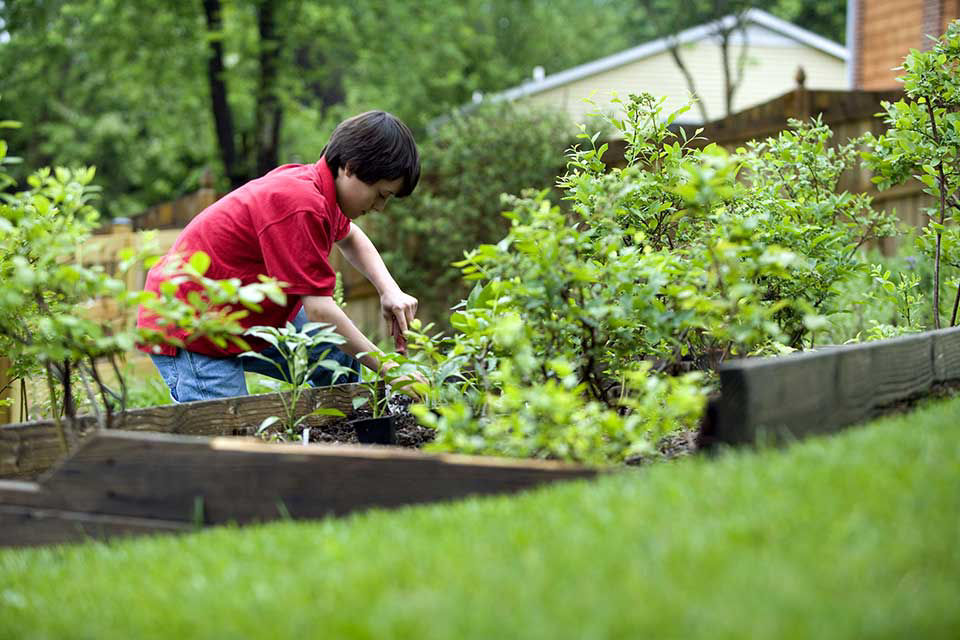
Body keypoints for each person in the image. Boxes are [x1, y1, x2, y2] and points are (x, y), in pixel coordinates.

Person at [136, 110, 422, 403]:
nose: (380, 207)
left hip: (235, 312)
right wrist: (389, 368)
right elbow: (320, 312)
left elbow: (350, 237)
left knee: (334, 352)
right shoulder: (301, 203)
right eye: (381, 194)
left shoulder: (321, 191)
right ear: (350, 167)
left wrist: (389, 290)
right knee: (230, 432)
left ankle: (334, 433)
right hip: (191, 325)